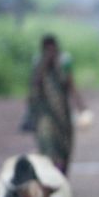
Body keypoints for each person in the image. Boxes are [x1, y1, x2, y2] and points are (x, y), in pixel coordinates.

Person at [27, 35, 87, 175]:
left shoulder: (64, 62)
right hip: (44, 113)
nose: (51, 52)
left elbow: (71, 85)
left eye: (53, 48)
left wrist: (80, 105)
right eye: (47, 49)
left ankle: (61, 178)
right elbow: (34, 84)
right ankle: (51, 177)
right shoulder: (38, 62)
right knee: (48, 146)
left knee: (65, 147)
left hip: (62, 113)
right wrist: (45, 63)